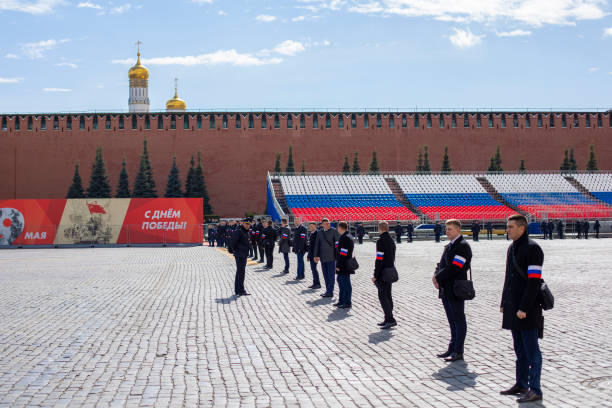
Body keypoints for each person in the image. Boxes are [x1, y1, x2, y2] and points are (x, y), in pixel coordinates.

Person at [500, 214, 544, 403]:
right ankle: (521, 383)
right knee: (519, 349)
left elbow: (534, 281)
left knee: (532, 351)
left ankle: (535, 389)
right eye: (507, 227)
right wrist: (503, 302)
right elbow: (508, 277)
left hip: (527, 309)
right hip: (513, 307)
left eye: (510, 227)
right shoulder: (512, 248)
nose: (507, 230)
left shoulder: (533, 249)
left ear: (522, 228)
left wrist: (524, 307)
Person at [432, 219, 472, 362]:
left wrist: (438, 276)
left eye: (450, 229)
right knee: (451, 320)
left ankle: (458, 350)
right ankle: (452, 346)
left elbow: (456, 267)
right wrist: (436, 275)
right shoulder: (449, 245)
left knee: (458, 319)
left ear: (457, 230)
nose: (447, 231)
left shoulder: (462, 246)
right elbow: (442, 263)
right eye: (446, 229)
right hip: (446, 288)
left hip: (455, 289)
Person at [372, 221, 397, 329]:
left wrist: (375, 274)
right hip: (390, 270)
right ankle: (388, 317)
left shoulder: (381, 241)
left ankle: (390, 319)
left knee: (383, 296)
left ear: (379, 228)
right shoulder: (391, 240)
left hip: (383, 272)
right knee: (388, 294)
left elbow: (379, 259)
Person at [314, 218, 340, 298]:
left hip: (331, 257)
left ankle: (330, 291)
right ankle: (327, 290)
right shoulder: (319, 233)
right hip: (322, 257)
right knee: (325, 275)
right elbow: (317, 244)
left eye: (328, 223)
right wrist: (316, 255)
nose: (328, 224)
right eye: (326, 223)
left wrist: (337, 256)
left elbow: (337, 244)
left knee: (331, 275)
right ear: (322, 225)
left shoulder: (334, 231)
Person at [334, 221, 355, 309]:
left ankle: (347, 302)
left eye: (338, 227)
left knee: (345, 283)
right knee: (341, 281)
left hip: (344, 264)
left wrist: (338, 265)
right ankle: (341, 300)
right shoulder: (345, 236)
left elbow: (343, 253)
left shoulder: (345, 238)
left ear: (340, 227)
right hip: (344, 263)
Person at [230, 219, 252, 296]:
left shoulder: (247, 232)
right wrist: (235, 251)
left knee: (240, 272)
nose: (247, 225)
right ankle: (239, 290)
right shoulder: (239, 231)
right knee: (240, 272)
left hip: (244, 254)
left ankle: (239, 290)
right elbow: (233, 242)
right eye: (246, 224)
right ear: (243, 224)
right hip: (239, 255)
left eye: (248, 224)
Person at [306, 222, 321, 289]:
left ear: (315, 226)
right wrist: (308, 256)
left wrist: (317, 255)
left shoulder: (317, 233)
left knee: (314, 269)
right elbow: (310, 246)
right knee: (313, 269)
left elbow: (317, 246)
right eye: (310, 226)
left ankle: (317, 284)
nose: (310, 228)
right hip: (311, 254)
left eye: (312, 226)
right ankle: (315, 283)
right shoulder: (311, 233)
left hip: (315, 255)